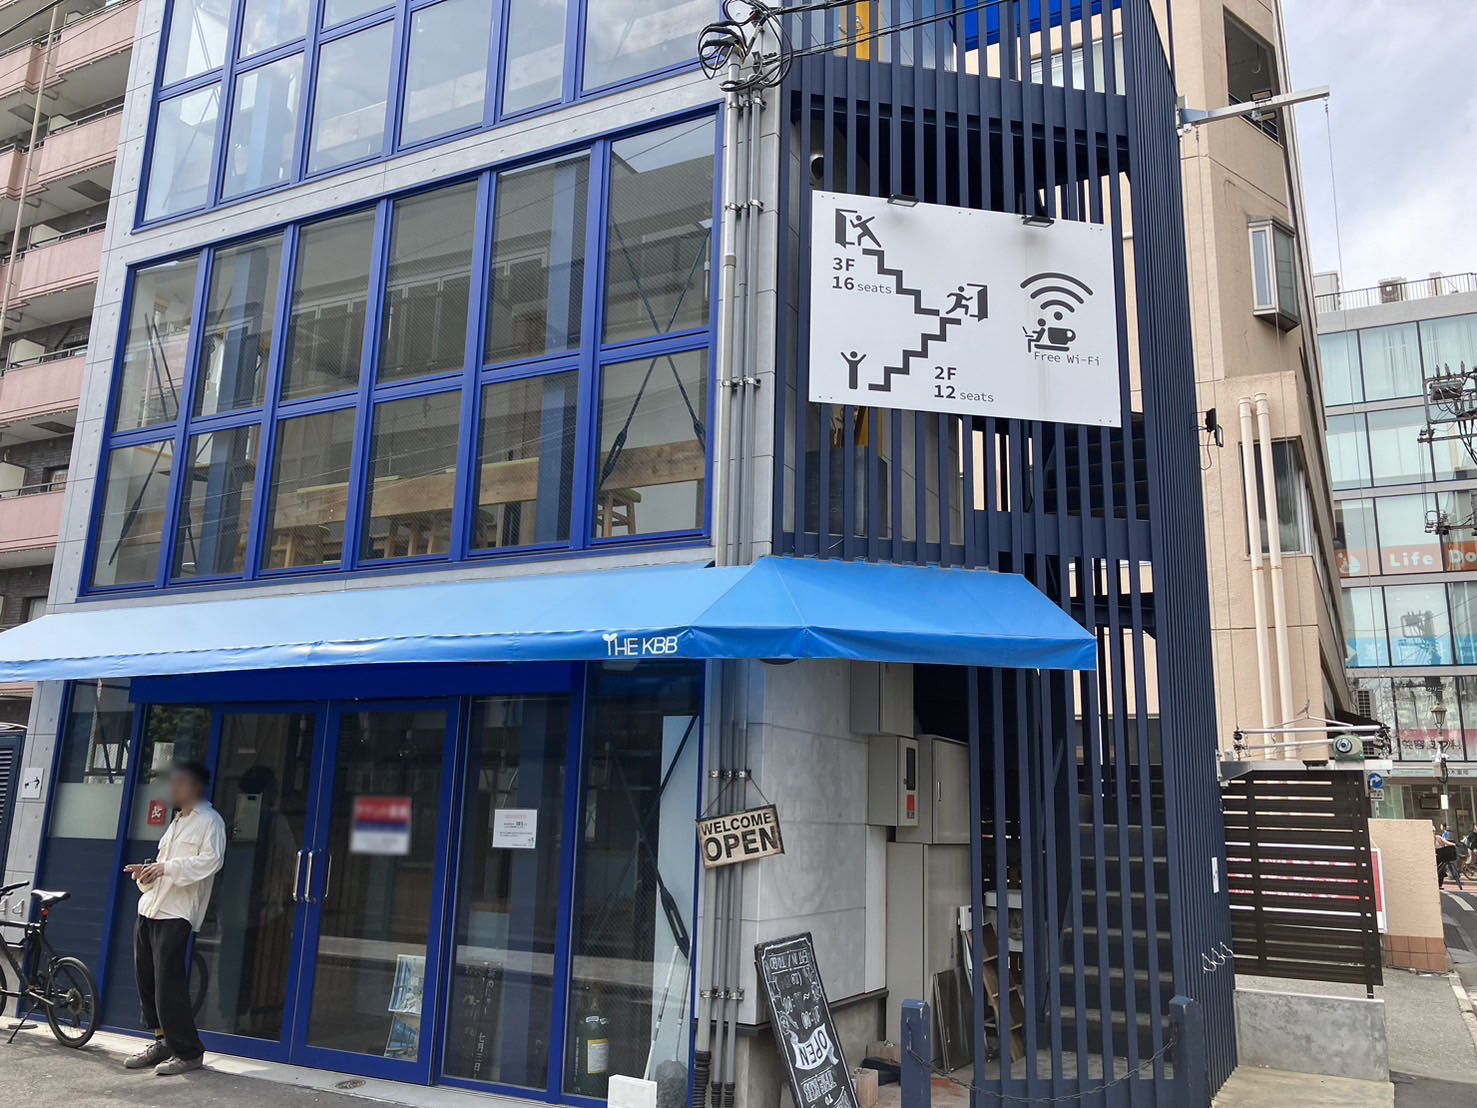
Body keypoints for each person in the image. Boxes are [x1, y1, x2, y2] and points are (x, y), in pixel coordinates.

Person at [121, 761, 226, 1075]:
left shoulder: (210, 821)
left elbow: (211, 862)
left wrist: (166, 868)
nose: (173, 789)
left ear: (196, 786)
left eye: (179, 783)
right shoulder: (176, 822)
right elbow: (161, 867)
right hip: (150, 908)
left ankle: (189, 1052)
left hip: (176, 913)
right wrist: (146, 874)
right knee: (147, 982)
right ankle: (163, 1042)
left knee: (169, 985)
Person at [1436, 824, 1462, 889]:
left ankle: (1440, 885)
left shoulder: (1438, 837)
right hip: (1436, 856)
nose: (1433, 832)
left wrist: (1454, 844)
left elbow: (1446, 842)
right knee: (1439, 870)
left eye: (1434, 831)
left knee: (1443, 870)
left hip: (1442, 855)